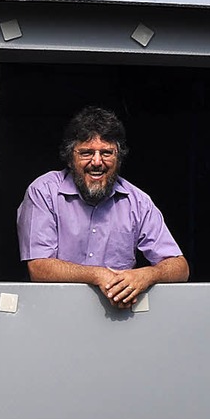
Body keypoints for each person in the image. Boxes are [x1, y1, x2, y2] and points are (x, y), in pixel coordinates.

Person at [16, 106, 189, 308]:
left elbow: (180, 267)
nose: (97, 162)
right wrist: (98, 275)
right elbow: (39, 268)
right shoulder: (44, 192)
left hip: (118, 322)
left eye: (106, 153)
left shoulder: (138, 201)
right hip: (54, 313)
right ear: (70, 158)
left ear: (118, 158)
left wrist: (147, 275)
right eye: (86, 152)